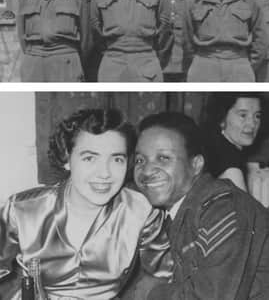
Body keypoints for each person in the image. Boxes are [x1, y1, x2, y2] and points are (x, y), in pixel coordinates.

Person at [133, 111, 269, 299]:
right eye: (139, 160)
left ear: (196, 165)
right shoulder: (181, 210)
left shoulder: (223, 208)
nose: (146, 171)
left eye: (163, 158)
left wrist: (152, 292)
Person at [0, 109, 168, 299]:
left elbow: (160, 280)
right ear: (66, 158)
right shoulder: (21, 210)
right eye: (90, 158)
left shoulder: (142, 210)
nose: (104, 173)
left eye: (117, 159)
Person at [201, 92, 269, 191]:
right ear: (222, 118)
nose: (252, 124)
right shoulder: (231, 169)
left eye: (257, 116)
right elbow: (244, 207)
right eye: (243, 115)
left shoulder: (217, 149)